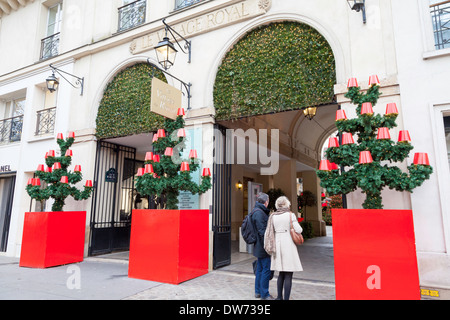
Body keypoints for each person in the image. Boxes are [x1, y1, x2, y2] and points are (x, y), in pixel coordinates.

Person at [265, 196, 303, 300]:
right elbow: (299, 230)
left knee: (281, 272)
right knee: (288, 273)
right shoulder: (290, 215)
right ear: (287, 204)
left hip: (277, 243)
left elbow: (269, 231)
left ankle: (279, 297)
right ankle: (286, 298)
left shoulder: (273, 216)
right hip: (288, 244)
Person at [251, 192, 275, 300]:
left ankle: (258, 291)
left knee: (260, 269)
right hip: (263, 247)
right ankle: (264, 294)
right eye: (268, 201)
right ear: (266, 202)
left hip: (259, 246)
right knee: (265, 270)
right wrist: (267, 246)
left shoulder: (257, 211)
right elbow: (262, 232)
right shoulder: (260, 213)